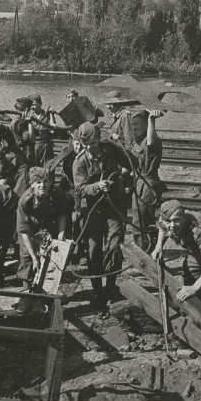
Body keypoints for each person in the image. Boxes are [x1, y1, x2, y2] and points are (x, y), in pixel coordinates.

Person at [73, 121, 132, 310]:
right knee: (93, 250)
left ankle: (110, 289)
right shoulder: (80, 161)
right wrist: (97, 187)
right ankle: (97, 292)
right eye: (86, 144)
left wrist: (123, 148)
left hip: (114, 206)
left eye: (92, 143)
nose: (89, 147)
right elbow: (80, 189)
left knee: (114, 246)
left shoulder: (111, 150)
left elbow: (132, 163)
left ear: (99, 138)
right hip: (93, 211)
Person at [16, 167, 72, 289]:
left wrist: (61, 233)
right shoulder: (25, 201)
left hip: (49, 224)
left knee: (53, 252)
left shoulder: (58, 194)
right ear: (32, 184)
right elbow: (24, 232)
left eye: (46, 181)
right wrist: (34, 258)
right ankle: (26, 287)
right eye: (38, 182)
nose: (43, 185)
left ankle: (50, 286)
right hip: (29, 228)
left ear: (51, 182)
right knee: (27, 256)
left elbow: (62, 213)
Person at [130, 110, 165, 251]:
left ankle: (145, 254)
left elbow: (150, 142)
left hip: (148, 185)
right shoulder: (136, 143)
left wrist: (151, 120)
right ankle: (146, 252)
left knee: (142, 221)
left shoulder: (152, 140)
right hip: (138, 183)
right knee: (138, 220)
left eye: (138, 125)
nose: (135, 129)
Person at [28, 94, 57, 166]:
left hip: (46, 146)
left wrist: (51, 114)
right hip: (34, 146)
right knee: (35, 170)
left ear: (40, 103)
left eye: (34, 104)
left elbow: (52, 130)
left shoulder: (47, 115)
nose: (32, 107)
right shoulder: (29, 116)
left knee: (48, 168)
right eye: (31, 105)